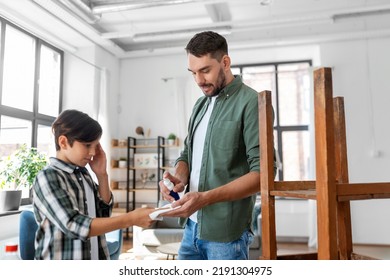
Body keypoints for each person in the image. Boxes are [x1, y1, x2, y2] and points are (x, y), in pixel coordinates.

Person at [159, 31, 264, 260]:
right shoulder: (199, 105)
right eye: (193, 72)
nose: (198, 80)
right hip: (190, 229)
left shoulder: (251, 102)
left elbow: (262, 174)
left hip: (226, 235)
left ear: (225, 62)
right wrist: (179, 177)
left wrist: (205, 198)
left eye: (205, 70)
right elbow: (187, 153)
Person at [33, 109, 154, 260]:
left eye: (96, 145)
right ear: (63, 142)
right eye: (87, 145)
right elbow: (74, 225)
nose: (92, 152)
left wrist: (102, 175)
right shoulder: (48, 177)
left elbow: (102, 215)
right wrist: (130, 219)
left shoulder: (84, 174)